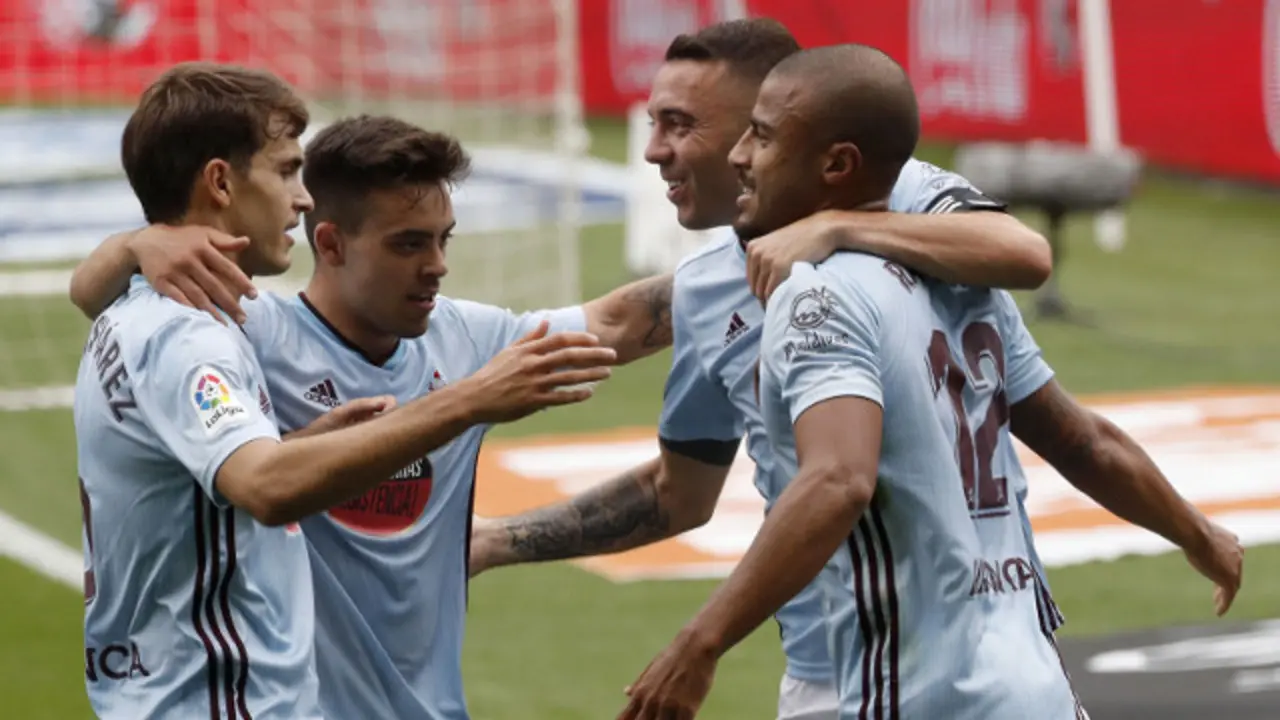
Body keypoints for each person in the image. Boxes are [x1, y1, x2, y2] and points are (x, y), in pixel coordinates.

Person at [618, 44, 1243, 720]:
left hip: (915, 690)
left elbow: (836, 481)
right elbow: (1082, 440)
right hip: (1033, 685)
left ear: (837, 165)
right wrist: (1198, 534)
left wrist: (698, 643)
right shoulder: (963, 280)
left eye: (762, 135)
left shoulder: (817, 296)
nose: (740, 154)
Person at [467, 19, 1054, 720]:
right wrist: (496, 539)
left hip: (957, 665)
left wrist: (840, 229)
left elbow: (1024, 255)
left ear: (768, 129)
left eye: (679, 125)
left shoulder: (908, 203)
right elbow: (677, 490)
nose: (654, 151)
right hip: (835, 676)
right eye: (653, 124)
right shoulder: (711, 290)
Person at [70, 112, 678, 719]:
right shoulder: (245, 333)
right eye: (408, 243)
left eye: (444, 239)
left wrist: (761, 260)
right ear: (330, 243)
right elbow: (114, 306)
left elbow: (619, 322)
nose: (436, 264)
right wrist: (133, 245)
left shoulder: (467, 341)